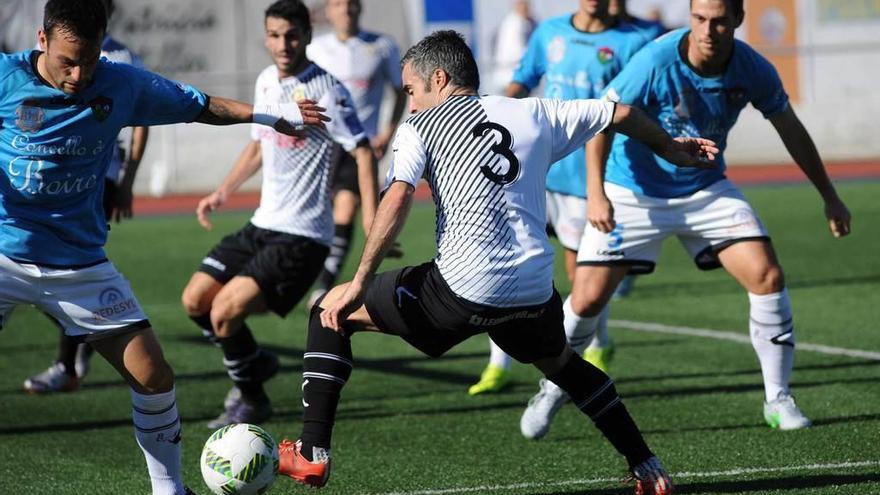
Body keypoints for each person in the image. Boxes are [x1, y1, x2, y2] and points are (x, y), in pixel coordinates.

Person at [274, 30, 720, 494]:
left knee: (329, 311)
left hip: (462, 289)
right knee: (564, 364)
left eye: (410, 90)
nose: (408, 103)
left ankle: (312, 453)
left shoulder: (419, 128)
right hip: (532, 287)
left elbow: (400, 195)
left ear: (439, 79)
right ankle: (646, 465)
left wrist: (359, 281)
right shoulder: (535, 111)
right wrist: (670, 148)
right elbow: (619, 113)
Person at [0, 0, 328, 493]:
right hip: (4, 259)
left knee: (153, 376)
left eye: (88, 60)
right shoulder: (6, 79)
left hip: (80, 266)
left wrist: (272, 113)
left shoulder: (120, 82)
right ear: (42, 39)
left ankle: (169, 491)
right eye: (68, 60)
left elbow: (199, 105)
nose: (78, 74)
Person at [519, 0, 852, 438]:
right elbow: (604, 118)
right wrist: (597, 194)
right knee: (587, 299)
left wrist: (830, 196)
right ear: (690, 18)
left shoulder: (753, 68)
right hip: (632, 191)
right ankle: (553, 386)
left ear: (737, 20)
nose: (707, 30)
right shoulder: (656, 59)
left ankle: (778, 398)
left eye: (718, 21)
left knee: (767, 275)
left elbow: (789, 128)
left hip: (704, 189)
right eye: (699, 19)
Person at [180, 0, 378, 429]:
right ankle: (254, 362)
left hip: (302, 236)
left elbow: (361, 150)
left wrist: (370, 218)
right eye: (274, 35)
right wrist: (223, 190)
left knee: (224, 313)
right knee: (195, 301)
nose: (282, 44)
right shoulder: (266, 79)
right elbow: (256, 144)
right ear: (265, 36)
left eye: (291, 35)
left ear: (307, 35)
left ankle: (252, 398)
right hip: (261, 224)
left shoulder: (327, 89)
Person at [468, 0, 656, 397]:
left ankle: (599, 345)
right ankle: (496, 366)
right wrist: (492, 114)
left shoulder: (637, 40)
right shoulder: (550, 32)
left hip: (581, 178)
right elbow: (523, 79)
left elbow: (633, 107)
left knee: (581, 276)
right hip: (535, 170)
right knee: (503, 264)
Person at [23, 0, 150, 395]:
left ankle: (70, 361)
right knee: (42, 267)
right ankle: (78, 347)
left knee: (62, 266)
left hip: (95, 178)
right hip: (45, 178)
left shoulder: (121, 56)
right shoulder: (47, 54)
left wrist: (128, 180)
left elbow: (143, 118)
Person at [304, 0, 406, 307]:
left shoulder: (382, 47)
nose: (345, 10)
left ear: (359, 8)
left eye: (350, 4)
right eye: (337, 4)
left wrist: (387, 133)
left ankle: (323, 287)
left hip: (358, 146)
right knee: (317, 219)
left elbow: (400, 91)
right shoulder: (316, 49)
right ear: (329, 11)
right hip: (320, 145)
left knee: (346, 210)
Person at [487, 0, 536, 95]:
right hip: (512, 77)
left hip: (506, 76)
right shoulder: (517, 23)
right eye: (523, 5)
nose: (526, 9)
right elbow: (519, 52)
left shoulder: (511, 21)